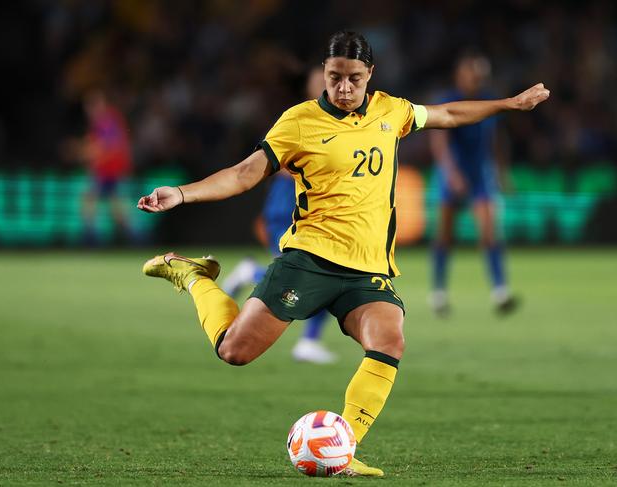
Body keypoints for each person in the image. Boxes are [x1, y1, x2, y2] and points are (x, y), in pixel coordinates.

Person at [138, 31, 549, 476]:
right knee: (234, 351)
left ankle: (343, 449)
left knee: (389, 340)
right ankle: (192, 275)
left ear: (370, 74)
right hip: (309, 260)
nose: (345, 88)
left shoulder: (393, 111)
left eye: (354, 78)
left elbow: (449, 113)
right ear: (324, 74)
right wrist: (181, 193)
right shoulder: (299, 122)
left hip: (367, 271)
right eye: (335, 77)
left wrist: (509, 104)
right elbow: (243, 174)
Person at [222, 66, 337, 364]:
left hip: (314, 213)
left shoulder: (338, 122)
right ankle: (253, 274)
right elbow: (280, 164)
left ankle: (309, 342)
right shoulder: (300, 120)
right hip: (290, 208)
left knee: (332, 273)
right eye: (325, 79)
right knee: (309, 276)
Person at [429, 52, 517, 316]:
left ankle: (500, 291)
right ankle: (438, 292)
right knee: (445, 236)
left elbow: (496, 139)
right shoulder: (446, 101)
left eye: (481, 74)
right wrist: (450, 172)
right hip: (452, 175)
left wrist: (501, 171)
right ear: (460, 74)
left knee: (489, 232)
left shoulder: (490, 101)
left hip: (479, 175)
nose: (477, 78)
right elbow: (439, 141)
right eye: (473, 73)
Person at [80, 90, 133, 244]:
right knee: (107, 205)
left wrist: (86, 152)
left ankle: (92, 240)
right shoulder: (102, 122)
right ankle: (133, 239)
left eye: (92, 105)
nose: (89, 110)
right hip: (106, 170)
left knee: (117, 209)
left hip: (112, 170)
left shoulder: (108, 120)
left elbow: (108, 146)